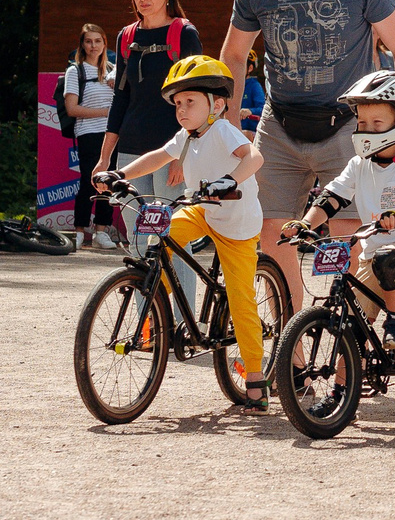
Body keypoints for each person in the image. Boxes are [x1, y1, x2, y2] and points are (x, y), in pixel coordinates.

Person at [218, 0, 395, 305]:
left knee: (348, 235)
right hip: (280, 123)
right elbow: (234, 55)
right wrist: (230, 121)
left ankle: (350, 339)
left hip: (350, 123)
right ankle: (295, 332)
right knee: (272, 235)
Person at [95, 55, 268, 405]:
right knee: (160, 237)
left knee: (241, 300)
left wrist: (229, 180)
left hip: (237, 225)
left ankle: (255, 374)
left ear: (216, 104)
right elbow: (158, 155)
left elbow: (255, 157)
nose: (182, 109)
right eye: (178, 103)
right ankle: (156, 306)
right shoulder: (187, 137)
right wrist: (120, 175)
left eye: (190, 102)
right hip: (205, 212)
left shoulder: (222, 129)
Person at [282, 71, 395, 351]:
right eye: (362, 122)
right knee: (349, 329)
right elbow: (332, 197)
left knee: (389, 257)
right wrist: (305, 224)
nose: (367, 129)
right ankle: (340, 389)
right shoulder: (358, 165)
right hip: (371, 254)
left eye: (377, 123)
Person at [95, 0, 204, 297]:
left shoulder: (184, 33)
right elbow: (120, 99)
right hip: (131, 149)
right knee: (140, 243)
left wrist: (183, 155)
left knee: (170, 239)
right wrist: (104, 160)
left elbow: (196, 99)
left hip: (171, 149)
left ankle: (184, 326)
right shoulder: (126, 36)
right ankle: (150, 327)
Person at [59, 23, 117, 245]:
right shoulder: (76, 71)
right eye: (88, 41)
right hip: (88, 134)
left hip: (112, 134)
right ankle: (80, 230)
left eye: (98, 41)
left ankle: (101, 231)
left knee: (110, 181)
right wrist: (105, 112)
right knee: (88, 181)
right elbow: (72, 108)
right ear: (82, 45)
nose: (93, 46)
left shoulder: (113, 70)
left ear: (104, 44)